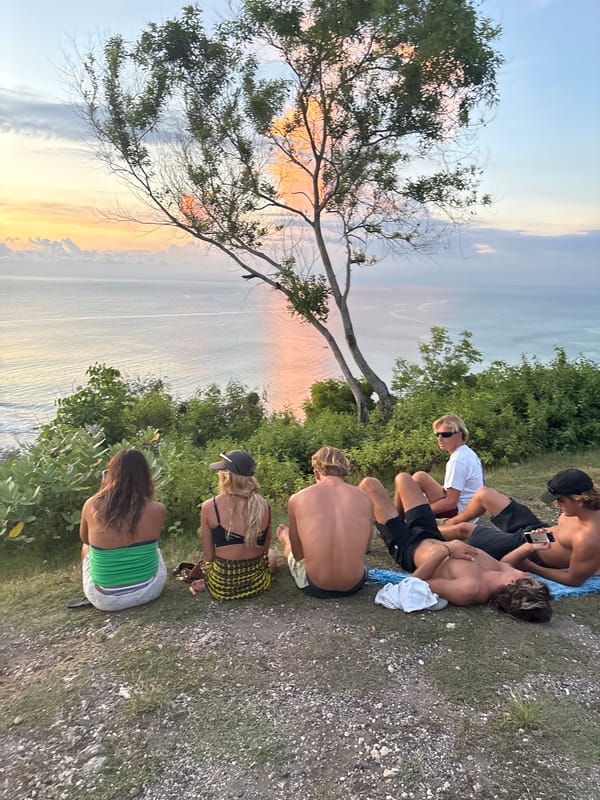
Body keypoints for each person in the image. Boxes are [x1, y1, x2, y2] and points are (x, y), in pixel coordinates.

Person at [359, 472, 552, 622]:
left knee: (369, 484)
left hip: (408, 547)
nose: (527, 574)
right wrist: (531, 547)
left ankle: (360, 535)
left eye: (526, 577)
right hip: (431, 534)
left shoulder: (469, 589)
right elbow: (508, 562)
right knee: (403, 479)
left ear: (511, 584)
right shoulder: (503, 572)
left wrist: (447, 550)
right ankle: (393, 520)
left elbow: (413, 584)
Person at [439, 468, 600, 587]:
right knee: (485, 494)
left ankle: (421, 533)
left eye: (561, 501)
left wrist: (531, 566)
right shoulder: (587, 510)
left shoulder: (588, 538)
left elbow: (573, 580)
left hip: (529, 550)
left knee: (465, 529)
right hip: (538, 532)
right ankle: (445, 523)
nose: (557, 505)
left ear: (580, 498)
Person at [76, 449, 167, 611]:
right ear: (145, 476)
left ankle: (107, 581)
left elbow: (85, 539)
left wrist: (102, 491)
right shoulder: (158, 509)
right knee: (153, 548)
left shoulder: (91, 505)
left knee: (87, 547)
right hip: (150, 590)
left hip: (105, 600)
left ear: (111, 475)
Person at [277, 446, 374, 598]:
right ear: (344, 472)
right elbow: (366, 548)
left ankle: (286, 539)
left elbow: (298, 555)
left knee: (291, 550)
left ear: (316, 473)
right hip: (354, 584)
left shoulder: (297, 499)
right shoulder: (364, 497)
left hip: (316, 585)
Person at [195, 450, 277, 600]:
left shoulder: (209, 506)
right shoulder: (264, 506)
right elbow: (264, 552)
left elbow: (210, 557)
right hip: (257, 584)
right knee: (272, 554)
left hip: (221, 587)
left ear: (225, 476)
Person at [408, 414, 483, 521]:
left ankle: (398, 520)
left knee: (419, 477)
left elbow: (450, 503)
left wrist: (419, 511)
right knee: (418, 482)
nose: (440, 438)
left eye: (446, 434)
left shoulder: (458, 460)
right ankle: (399, 518)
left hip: (459, 513)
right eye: (437, 434)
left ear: (459, 434)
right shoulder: (466, 453)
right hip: (468, 510)